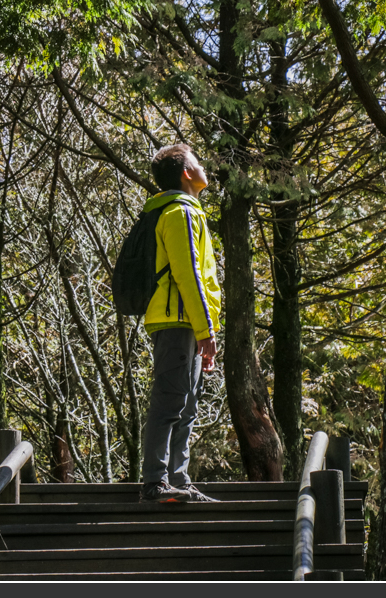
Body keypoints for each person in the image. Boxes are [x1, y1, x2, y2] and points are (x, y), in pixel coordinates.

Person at [138, 143, 222, 503]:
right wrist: (206, 332)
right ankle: (156, 482)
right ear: (187, 173)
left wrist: (205, 330)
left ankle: (178, 480)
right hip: (177, 319)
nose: (204, 168)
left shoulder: (190, 212)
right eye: (198, 163)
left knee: (186, 404)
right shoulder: (179, 213)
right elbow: (188, 275)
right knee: (171, 400)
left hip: (185, 320)